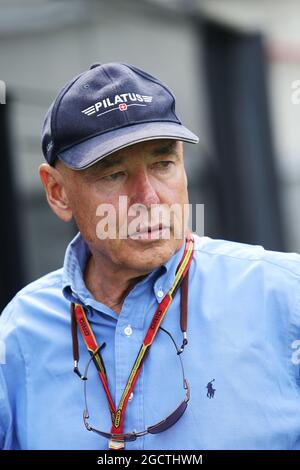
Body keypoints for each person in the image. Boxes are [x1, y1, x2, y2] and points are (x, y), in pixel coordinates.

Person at [0, 62, 300, 451]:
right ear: (57, 192)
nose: (149, 198)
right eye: (113, 174)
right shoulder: (19, 336)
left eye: (163, 164)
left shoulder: (286, 297)